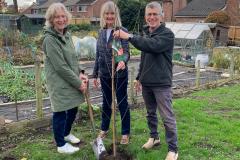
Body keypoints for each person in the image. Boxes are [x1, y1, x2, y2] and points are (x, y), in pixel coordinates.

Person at [113, 1, 178, 160]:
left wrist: (128, 36)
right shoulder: (146, 33)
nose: (152, 17)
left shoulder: (167, 34)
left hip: (162, 83)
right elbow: (145, 58)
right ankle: (154, 137)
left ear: (161, 16)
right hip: (147, 82)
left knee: (167, 117)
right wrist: (138, 78)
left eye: (155, 14)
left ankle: (173, 149)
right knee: (150, 114)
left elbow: (152, 46)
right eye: (149, 14)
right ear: (145, 17)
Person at [43, 3, 88, 154]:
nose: (61, 20)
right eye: (57, 17)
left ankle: (66, 133)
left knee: (73, 108)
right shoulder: (50, 39)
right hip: (59, 81)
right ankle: (61, 145)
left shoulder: (66, 35)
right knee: (60, 111)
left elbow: (72, 59)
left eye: (63, 16)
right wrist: (78, 83)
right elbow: (60, 66)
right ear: (51, 19)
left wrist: (80, 72)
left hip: (70, 79)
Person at [92, 1, 130, 145]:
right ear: (103, 15)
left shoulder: (121, 31)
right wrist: (95, 74)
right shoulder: (101, 32)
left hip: (119, 74)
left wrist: (123, 61)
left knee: (122, 103)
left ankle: (125, 132)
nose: (109, 16)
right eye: (107, 13)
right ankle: (104, 128)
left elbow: (126, 52)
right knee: (106, 103)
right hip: (105, 75)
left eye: (112, 13)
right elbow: (98, 55)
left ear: (116, 15)